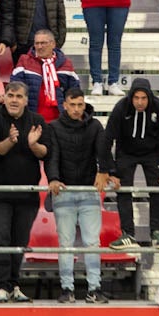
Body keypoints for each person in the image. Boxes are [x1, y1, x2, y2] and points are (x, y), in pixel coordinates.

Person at [0, 81, 48, 303]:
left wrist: (33, 145)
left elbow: (45, 153)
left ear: (26, 100)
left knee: (19, 242)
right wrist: (10, 141)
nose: (14, 100)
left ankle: (14, 284)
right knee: (0, 239)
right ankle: (1, 286)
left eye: (19, 96)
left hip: (27, 195)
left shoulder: (37, 121)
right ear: (5, 97)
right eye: (10, 95)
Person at [44, 88, 110, 304]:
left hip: (89, 192)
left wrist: (105, 171)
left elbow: (103, 151)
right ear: (64, 105)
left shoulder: (95, 126)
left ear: (84, 104)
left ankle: (94, 288)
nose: (76, 109)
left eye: (80, 105)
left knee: (92, 243)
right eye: (72, 105)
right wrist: (53, 178)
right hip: (63, 192)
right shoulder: (54, 127)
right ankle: (67, 288)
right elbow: (52, 156)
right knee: (66, 244)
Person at [101, 78, 159, 253]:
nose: (140, 102)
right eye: (136, 98)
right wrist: (107, 170)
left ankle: (156, 233)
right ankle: (128, 234)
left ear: (149, 97)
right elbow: (106, 139)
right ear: (131, 97)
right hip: (126, 151)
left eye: (143, 98)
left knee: (157, 188)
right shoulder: (121, 107)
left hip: (152, 152)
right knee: (122, 189)